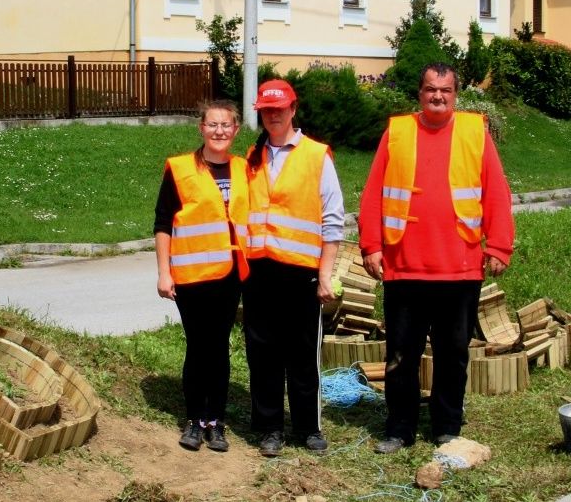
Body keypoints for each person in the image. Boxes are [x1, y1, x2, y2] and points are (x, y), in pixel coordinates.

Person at [358, 62, 515, 454]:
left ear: (456, 94)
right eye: (431, 89)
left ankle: (447, 426)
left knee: (453, 354)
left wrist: (499, 245)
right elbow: (373, 193)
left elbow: (496, 191)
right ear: (420, 93)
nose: (438, 96)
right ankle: (399, 429)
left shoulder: (474, 132)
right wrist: (371, 245)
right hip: (403, 266)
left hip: (459, 268)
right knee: (400, 355)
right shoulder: (397, 132)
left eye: (445, 90)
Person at [243, 79, 344, 457]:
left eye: (279, 109)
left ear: (293, 109)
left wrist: (325, 275)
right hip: (259, 271)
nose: (273, 115)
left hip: (301, 272)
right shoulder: (252, 158)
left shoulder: (316, 156)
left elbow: (333, 220)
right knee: (263, 352)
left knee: (302, 353)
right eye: (267, 110)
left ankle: (308, 427)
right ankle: (269, 427)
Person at [154, 99, 249, 452]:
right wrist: (164, 273)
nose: (219, 131)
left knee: (219, 347)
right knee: (198, 346)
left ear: (236, 130)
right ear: (201, 128)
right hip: (191, 276)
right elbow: (163, 223)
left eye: (226, 125)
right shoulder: (180, 169)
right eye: (213, 124)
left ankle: (216, 422)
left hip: (230, 275)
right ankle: (195, 419)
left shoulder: (244, 169)